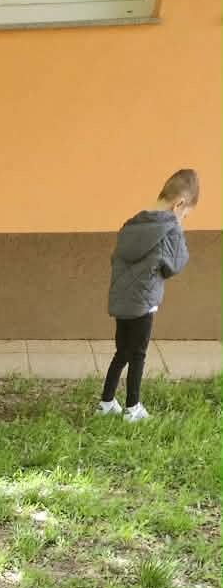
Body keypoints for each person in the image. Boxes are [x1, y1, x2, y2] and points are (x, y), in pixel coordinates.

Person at [97, 167, 199, 424]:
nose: (183, 219)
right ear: (179, 204)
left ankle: (106, 402)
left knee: (122, 351)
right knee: (138, 353)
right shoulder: (170, 229)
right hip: (144, 303)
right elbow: (175, 264)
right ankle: (133, 408)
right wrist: (178, 228)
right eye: (186, 214)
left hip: (122, 300)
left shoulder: (132, 224)